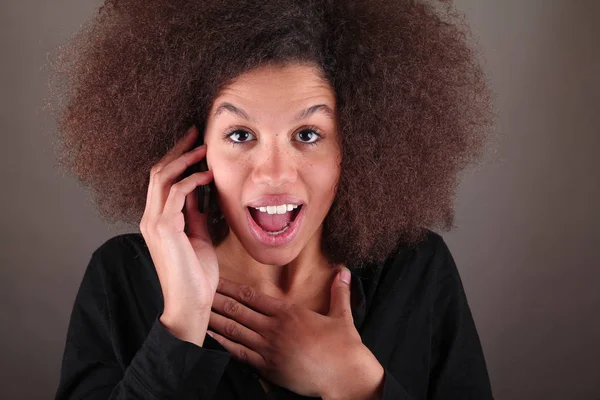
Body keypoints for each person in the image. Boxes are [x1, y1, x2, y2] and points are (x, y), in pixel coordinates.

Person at [49, 0, 495, 398]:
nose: (275, 174)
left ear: (352, 145)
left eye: (308, 134)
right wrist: (182, 326)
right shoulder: (120, 277)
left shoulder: (416, 269)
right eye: (240, 135)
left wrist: (354, 382)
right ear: (193, 148)